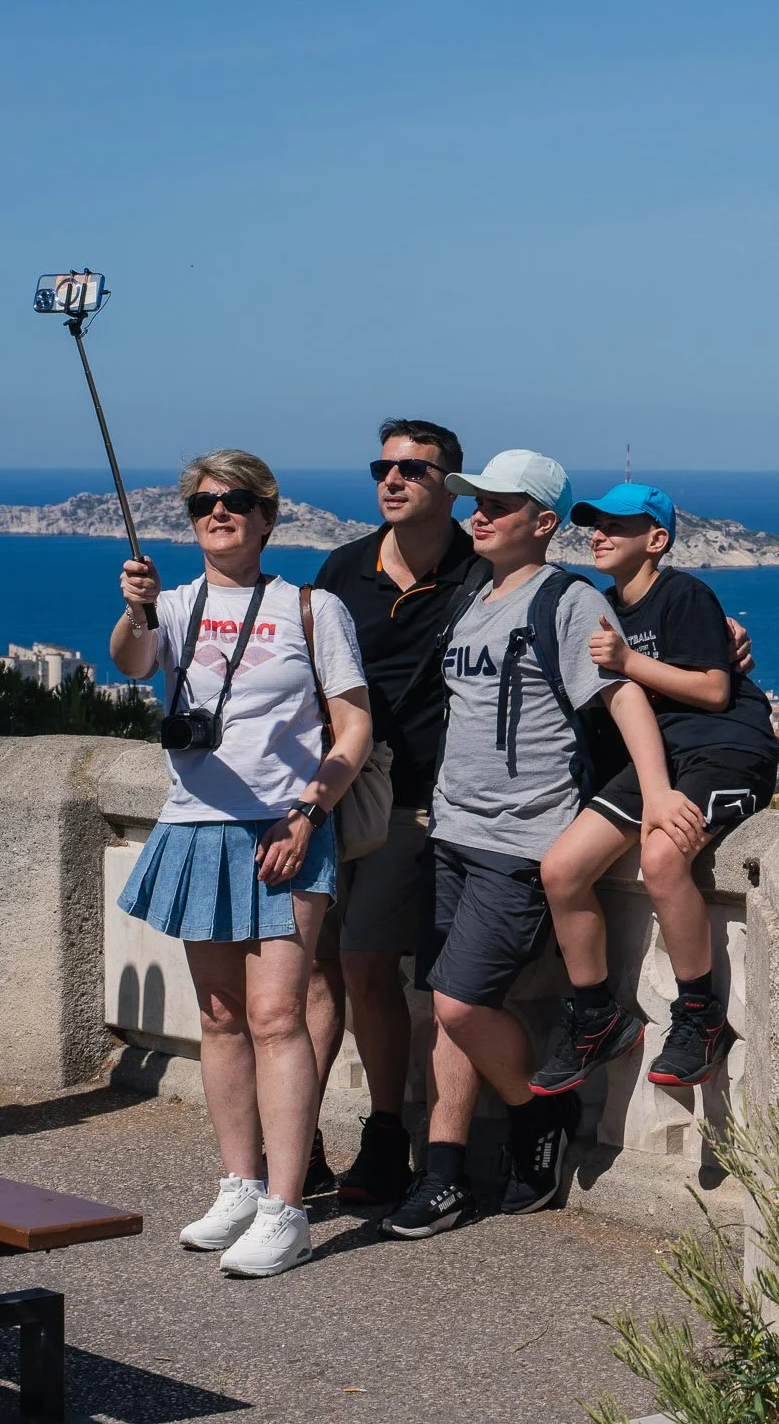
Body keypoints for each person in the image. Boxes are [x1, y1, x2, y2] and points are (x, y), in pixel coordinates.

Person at [383, 451, 705, 1240]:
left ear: (544, 522)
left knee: (460, 1003)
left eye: (499, 503)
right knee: (451, 1006)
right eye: (475, 502)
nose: (478, 515)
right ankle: (445, 1171)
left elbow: (621, 689)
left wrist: (658, 792)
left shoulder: (565, 601)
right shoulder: (469, 595)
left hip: (518, 839)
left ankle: (540, 1105)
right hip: (450, 831)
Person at [113, 450, 371, 1279]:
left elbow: (353, 730)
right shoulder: (175, 605)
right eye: (201, 503)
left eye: (235, 500)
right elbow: (132, 661)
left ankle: (287, 1207)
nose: (216, 512)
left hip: (285, 825)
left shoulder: (312, 608)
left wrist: (309, 811)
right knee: (220, 1016)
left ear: (267, 515)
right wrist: (135, 609)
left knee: (276, 1015)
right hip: (197, 826)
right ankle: (238, 1182)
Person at [531, 484, 778, 1095]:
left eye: (619, 526)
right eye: (594, 525)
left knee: (663, 856)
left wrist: (624, 659)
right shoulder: (602, 607)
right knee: (562, 869)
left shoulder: (684, 593)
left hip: (725, 749)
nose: (599, 534)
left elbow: (715, 690)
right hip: (656, 758)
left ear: (657, 541)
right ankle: (595, 1015)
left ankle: (700, 1014)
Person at [304, 418, 490, 1205]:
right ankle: (297, 1142)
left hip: (412, 803)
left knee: (366, 964)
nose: (392, 479)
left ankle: (385, 1133)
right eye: (383, 466)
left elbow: (576, 618)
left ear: (450, 484)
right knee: (306, 970)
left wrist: (711, 634)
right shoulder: (342, 570)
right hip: (327, 792)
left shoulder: (481, 574)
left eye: (413, 469)